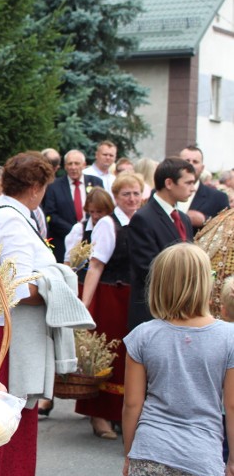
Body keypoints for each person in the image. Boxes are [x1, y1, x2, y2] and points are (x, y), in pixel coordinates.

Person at [0, 151, 91, 476]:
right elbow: (16, 287)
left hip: (0, 332)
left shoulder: (1, 212)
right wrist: (57, 282)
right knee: (5, 423)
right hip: (10, 340)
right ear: (35, 187)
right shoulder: (14, 220)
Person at [122, 243, 234, 476]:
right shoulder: (229, 337)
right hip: (201, 457)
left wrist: (130, 453)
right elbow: (232, 405)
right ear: (206, 282)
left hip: (150, 451)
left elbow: (132, 404)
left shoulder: (143, 335)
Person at [75, 174, 144, 440]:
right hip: (110, 295)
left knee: (130, 356)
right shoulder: (107, 223)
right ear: (116, 197)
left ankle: (124, 412)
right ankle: (99, 414)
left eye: (136, 194)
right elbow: (96, 265)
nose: (132, 199)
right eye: (127, 194)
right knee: (109, 355)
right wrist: (85, 304)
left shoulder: (140, 221)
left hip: (133, 296)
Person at [127, 157, 197, 331]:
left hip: (182, 309)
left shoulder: (184, 218)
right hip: (155, 311)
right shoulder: (143, 218)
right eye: (188, 182)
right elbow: (147, 268)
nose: (193, 188)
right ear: (169, 183)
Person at [42, 149, 104, 263]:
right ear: (65, 166)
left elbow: (103, 208)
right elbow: (51, 214)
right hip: (63, 242)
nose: (73, 167)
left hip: (92, 240)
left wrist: (87, 230)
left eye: (77, 163)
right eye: (70, 164)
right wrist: (75, 230)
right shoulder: (54, 186)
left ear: (84, 165)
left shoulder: (96, 183)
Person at [180, 145, 229, 231]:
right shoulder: (163, 193)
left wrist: (205, 220)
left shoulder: (218, 198)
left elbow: (227, 228)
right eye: (186, 161)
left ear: (202, 168)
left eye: (195, 162)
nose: (190, 165)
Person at [62, 187, 114, 267]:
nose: (95, 216)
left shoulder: (115, 228)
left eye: (99, 211)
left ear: (108, 210)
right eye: (92, 212)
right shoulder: (79, 229)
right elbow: (68, 262)